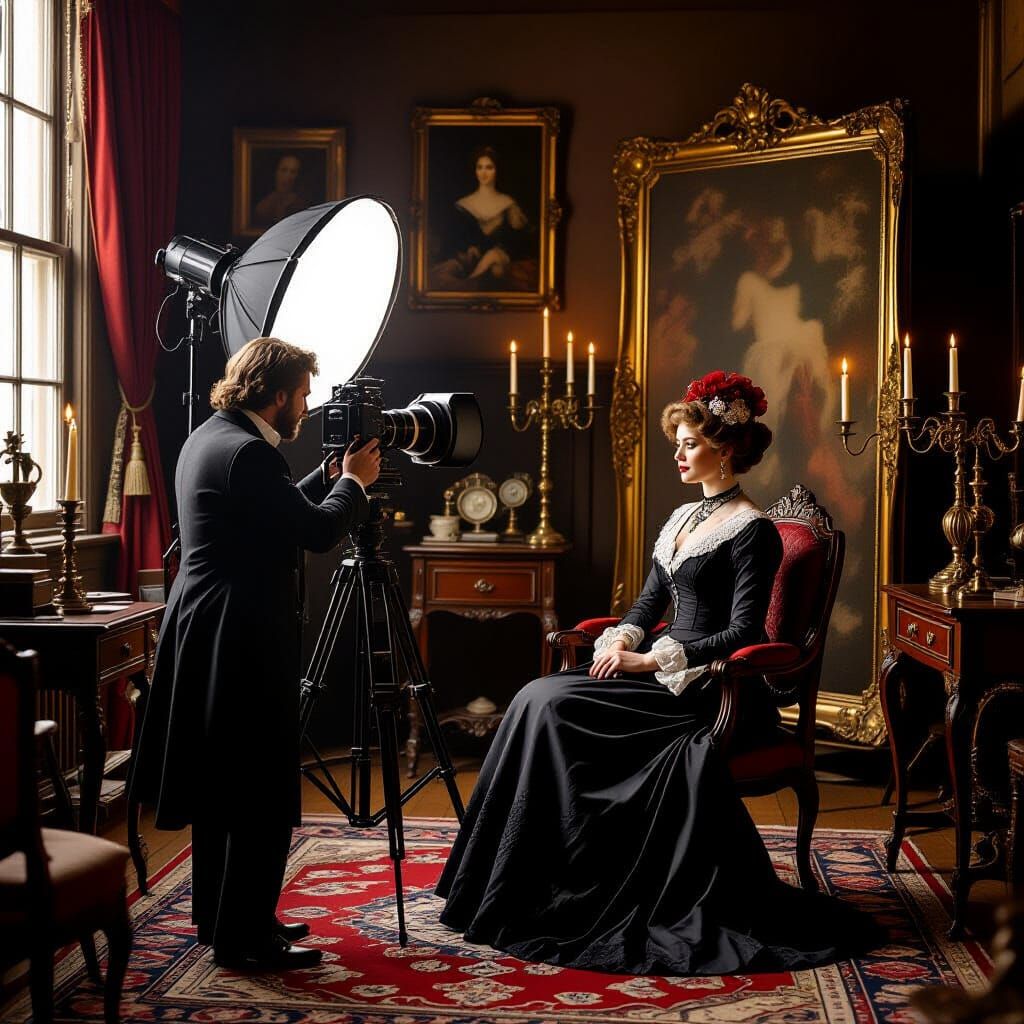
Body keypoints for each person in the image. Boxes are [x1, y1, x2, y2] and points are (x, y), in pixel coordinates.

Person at [436, 369, 881, 975]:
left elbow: (745, 634)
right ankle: (524, 885)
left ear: (726, 449)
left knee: (554, 705)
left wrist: (647, 659)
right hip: (663, 671)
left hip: (710, 688)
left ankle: (570, 889)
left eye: (690, 443)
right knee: (537, 696)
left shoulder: (753, 531)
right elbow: (649, 605)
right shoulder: (682, 520)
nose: (677, 452)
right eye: (677, 440)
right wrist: (619, 638)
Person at [131, 337, 381, 972]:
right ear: (275, 394)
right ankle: (246, 939)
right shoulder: (248, 454)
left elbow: (268, 511)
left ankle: (225, 918)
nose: (305, 406)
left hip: (208, 629)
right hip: (240, 636)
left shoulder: (212, 438)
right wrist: (352, 486)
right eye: (301, 394)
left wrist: (321, 481)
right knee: (258, 789)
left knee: (225, 786)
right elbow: (318, 531)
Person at [430, 146, 533, 291]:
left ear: (497, 170)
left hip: (499, 257)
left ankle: (469, 282)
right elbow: (454, 240)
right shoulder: (463, 204)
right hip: (470, 261)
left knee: (495, 263)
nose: (483, 173)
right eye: (480, 167)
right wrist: (469, 249)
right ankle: (469, 281)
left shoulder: (508, 203)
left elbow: (519, 241)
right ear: (475, 170)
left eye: (489, 167)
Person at [253, 153, 307, 228]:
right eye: (284, 170)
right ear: (276, 172)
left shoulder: (301, 205)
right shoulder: (264, 205)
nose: (287, 176)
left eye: (293, 172)